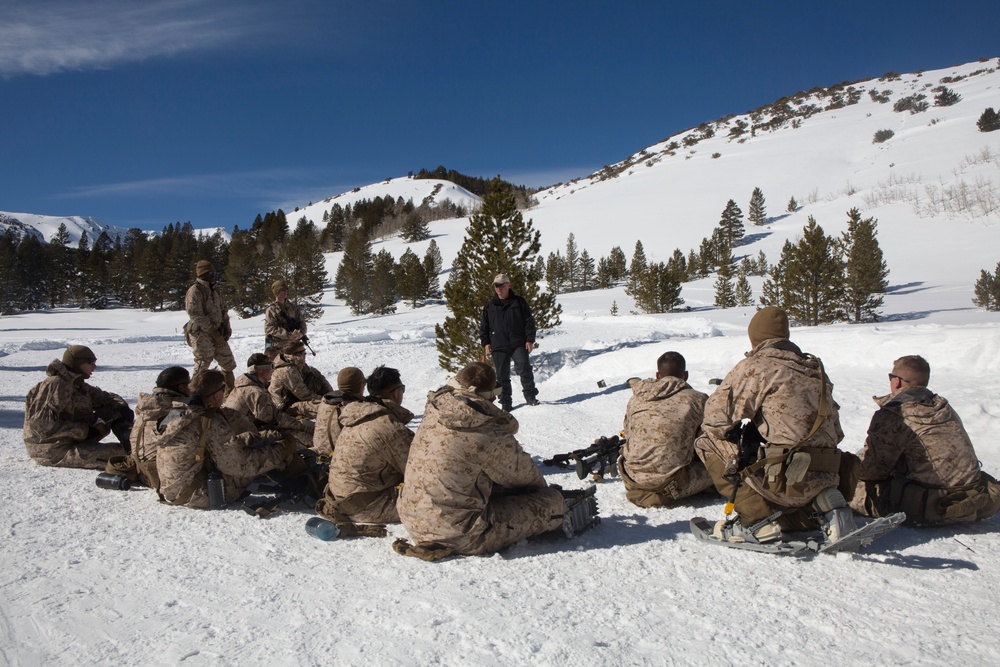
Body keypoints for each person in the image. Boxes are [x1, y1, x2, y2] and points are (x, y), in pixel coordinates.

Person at [695, 306, 854, 546]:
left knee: (707, 440)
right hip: (827, 474)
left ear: (754, 338)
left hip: (782, 480)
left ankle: (757, 521)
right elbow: (837, 433)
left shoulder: (756, 366)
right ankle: (824, 504)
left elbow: (715, 421)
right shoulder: (816, 368)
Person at [395, 362, 577, 559]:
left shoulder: (435, 410)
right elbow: (528, 480)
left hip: (412, 521)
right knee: (553, 502)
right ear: (490, 395)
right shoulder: (487, 431)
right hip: (459, 533)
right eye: (495, 390)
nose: (497, 396)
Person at [850, 355, 1000, 525]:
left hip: (936, 505)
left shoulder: (894, 413)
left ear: (897, 382)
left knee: (846, 486)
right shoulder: (942, 406)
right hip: (976, 498)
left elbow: (872, 472)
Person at [156, 369, 293, 508]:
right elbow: (239, 465)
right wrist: (281, 451)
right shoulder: (208, 419)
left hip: (172, 490)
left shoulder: (177, 412)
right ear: (216, 395)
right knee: (254, 465)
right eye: (223, 389)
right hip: (198, 494)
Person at [316, 366, 414, 524]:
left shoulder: (357, 414)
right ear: (395, 393)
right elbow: (418, 469)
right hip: (366, 508)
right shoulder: (387, 425)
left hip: (339, 500)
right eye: (402, 389)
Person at [620, 351, 715, 508]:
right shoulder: (697, 399)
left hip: (632, 478)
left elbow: (628, 432)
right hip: (672, 483)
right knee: (724, 468)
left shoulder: (636, 398)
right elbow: (712, 437)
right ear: (685, 375)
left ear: (658, 375)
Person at [24, 345, 134, 469]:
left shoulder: (76, 384)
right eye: (90, 362)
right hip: (52, 449)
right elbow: (41, 425)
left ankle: (131, 442)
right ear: (77, 363)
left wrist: (122, 407)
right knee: (123, 455)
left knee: (113, 409)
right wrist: (85, 431)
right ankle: (132, 451)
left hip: (75, 439)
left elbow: (107, 398)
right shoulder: (55, 384)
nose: (94, 366)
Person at [224, 353, 315, 449]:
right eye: (271, 366)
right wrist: (305, 428)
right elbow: (272, 420)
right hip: (244, 440)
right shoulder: (256, 392)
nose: (273, 369)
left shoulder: (241, 386)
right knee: (294, 436)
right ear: (260, 370)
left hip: (238, 434)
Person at [480, 273, 539, 412]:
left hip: (517, 343)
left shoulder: (519, 302)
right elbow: (484, 327)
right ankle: (506, 402)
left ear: (508, 285)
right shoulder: (489, 307)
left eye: (501, 285)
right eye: (496, 285)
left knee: (525, 369)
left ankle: (530, 396)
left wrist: (530, 339)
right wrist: (486, 343)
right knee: (502, 376)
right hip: (498, 345)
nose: (498, 288)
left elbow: (529, 322)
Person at [130, 366, 191, 487]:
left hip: (139, 469)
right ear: (180, 387)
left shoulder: (147, 406)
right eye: (189, 383)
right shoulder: (177, 409)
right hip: (160, 474)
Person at [184, 260, 236, 395]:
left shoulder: (215, 290)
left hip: (218, 332)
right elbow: (195, 314)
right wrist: (213, 332)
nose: (213, 276)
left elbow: (223, 309)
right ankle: (195, 396)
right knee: (202, 366)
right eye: (210, 273)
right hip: (202, 334)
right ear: (203, 274)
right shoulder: (195, 290)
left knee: (228, 362)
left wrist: (226, 327)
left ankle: (228, 394)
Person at [268, 340, 333, 419]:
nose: (305, 355)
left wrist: (332, 396)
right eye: (302, 352)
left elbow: (321, 381)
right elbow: (304, 395)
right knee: (327, 408)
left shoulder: (301, 366)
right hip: (286, 407)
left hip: (297, 402)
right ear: (292, 355)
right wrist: (327, 401)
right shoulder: (287, 371)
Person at [312, 367, 366, 456]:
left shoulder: (326, 401)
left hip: (320, 455)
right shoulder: (359, 409)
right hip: (343, 460)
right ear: (361, 387)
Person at [264, 279, 307, 349]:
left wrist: (300, 334)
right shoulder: (272, 310)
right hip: (278, 346)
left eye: (286, 290)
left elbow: (302, 323)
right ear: (277, 292)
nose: (285, 292)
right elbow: (268, 328)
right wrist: (286, 334)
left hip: (294, 344)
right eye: (282, 290)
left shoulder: (293, 308)